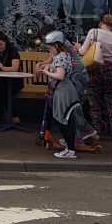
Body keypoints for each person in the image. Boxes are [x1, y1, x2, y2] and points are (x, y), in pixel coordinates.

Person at [36, 31, 82, 160]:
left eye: (50, 48)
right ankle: (70, 146)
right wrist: (47, 66)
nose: (50, 50)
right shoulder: (63, 55)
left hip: (63, 92)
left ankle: (70, 150)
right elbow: (57, 66)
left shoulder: (61, 57)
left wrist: (46, 72)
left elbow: (60, 75)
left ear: (56, 45)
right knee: (66, 120)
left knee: (64, 121)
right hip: (65, 91)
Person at [82, 14, 112, 141]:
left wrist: (77, 48)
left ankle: (97, 132)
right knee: (111, 102)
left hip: (95, 69)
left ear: (101, 23)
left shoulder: (94, 32)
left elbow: (82, 51)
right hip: (110, 70)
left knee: (95, 103)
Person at [0, 31, 20, 126]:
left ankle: (14, 115)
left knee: (3, 90)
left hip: (14, 80)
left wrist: (2, 68)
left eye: (1, 44)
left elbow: (15, 68)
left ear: (6, 43)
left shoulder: (12, 51)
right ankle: (1, 113)